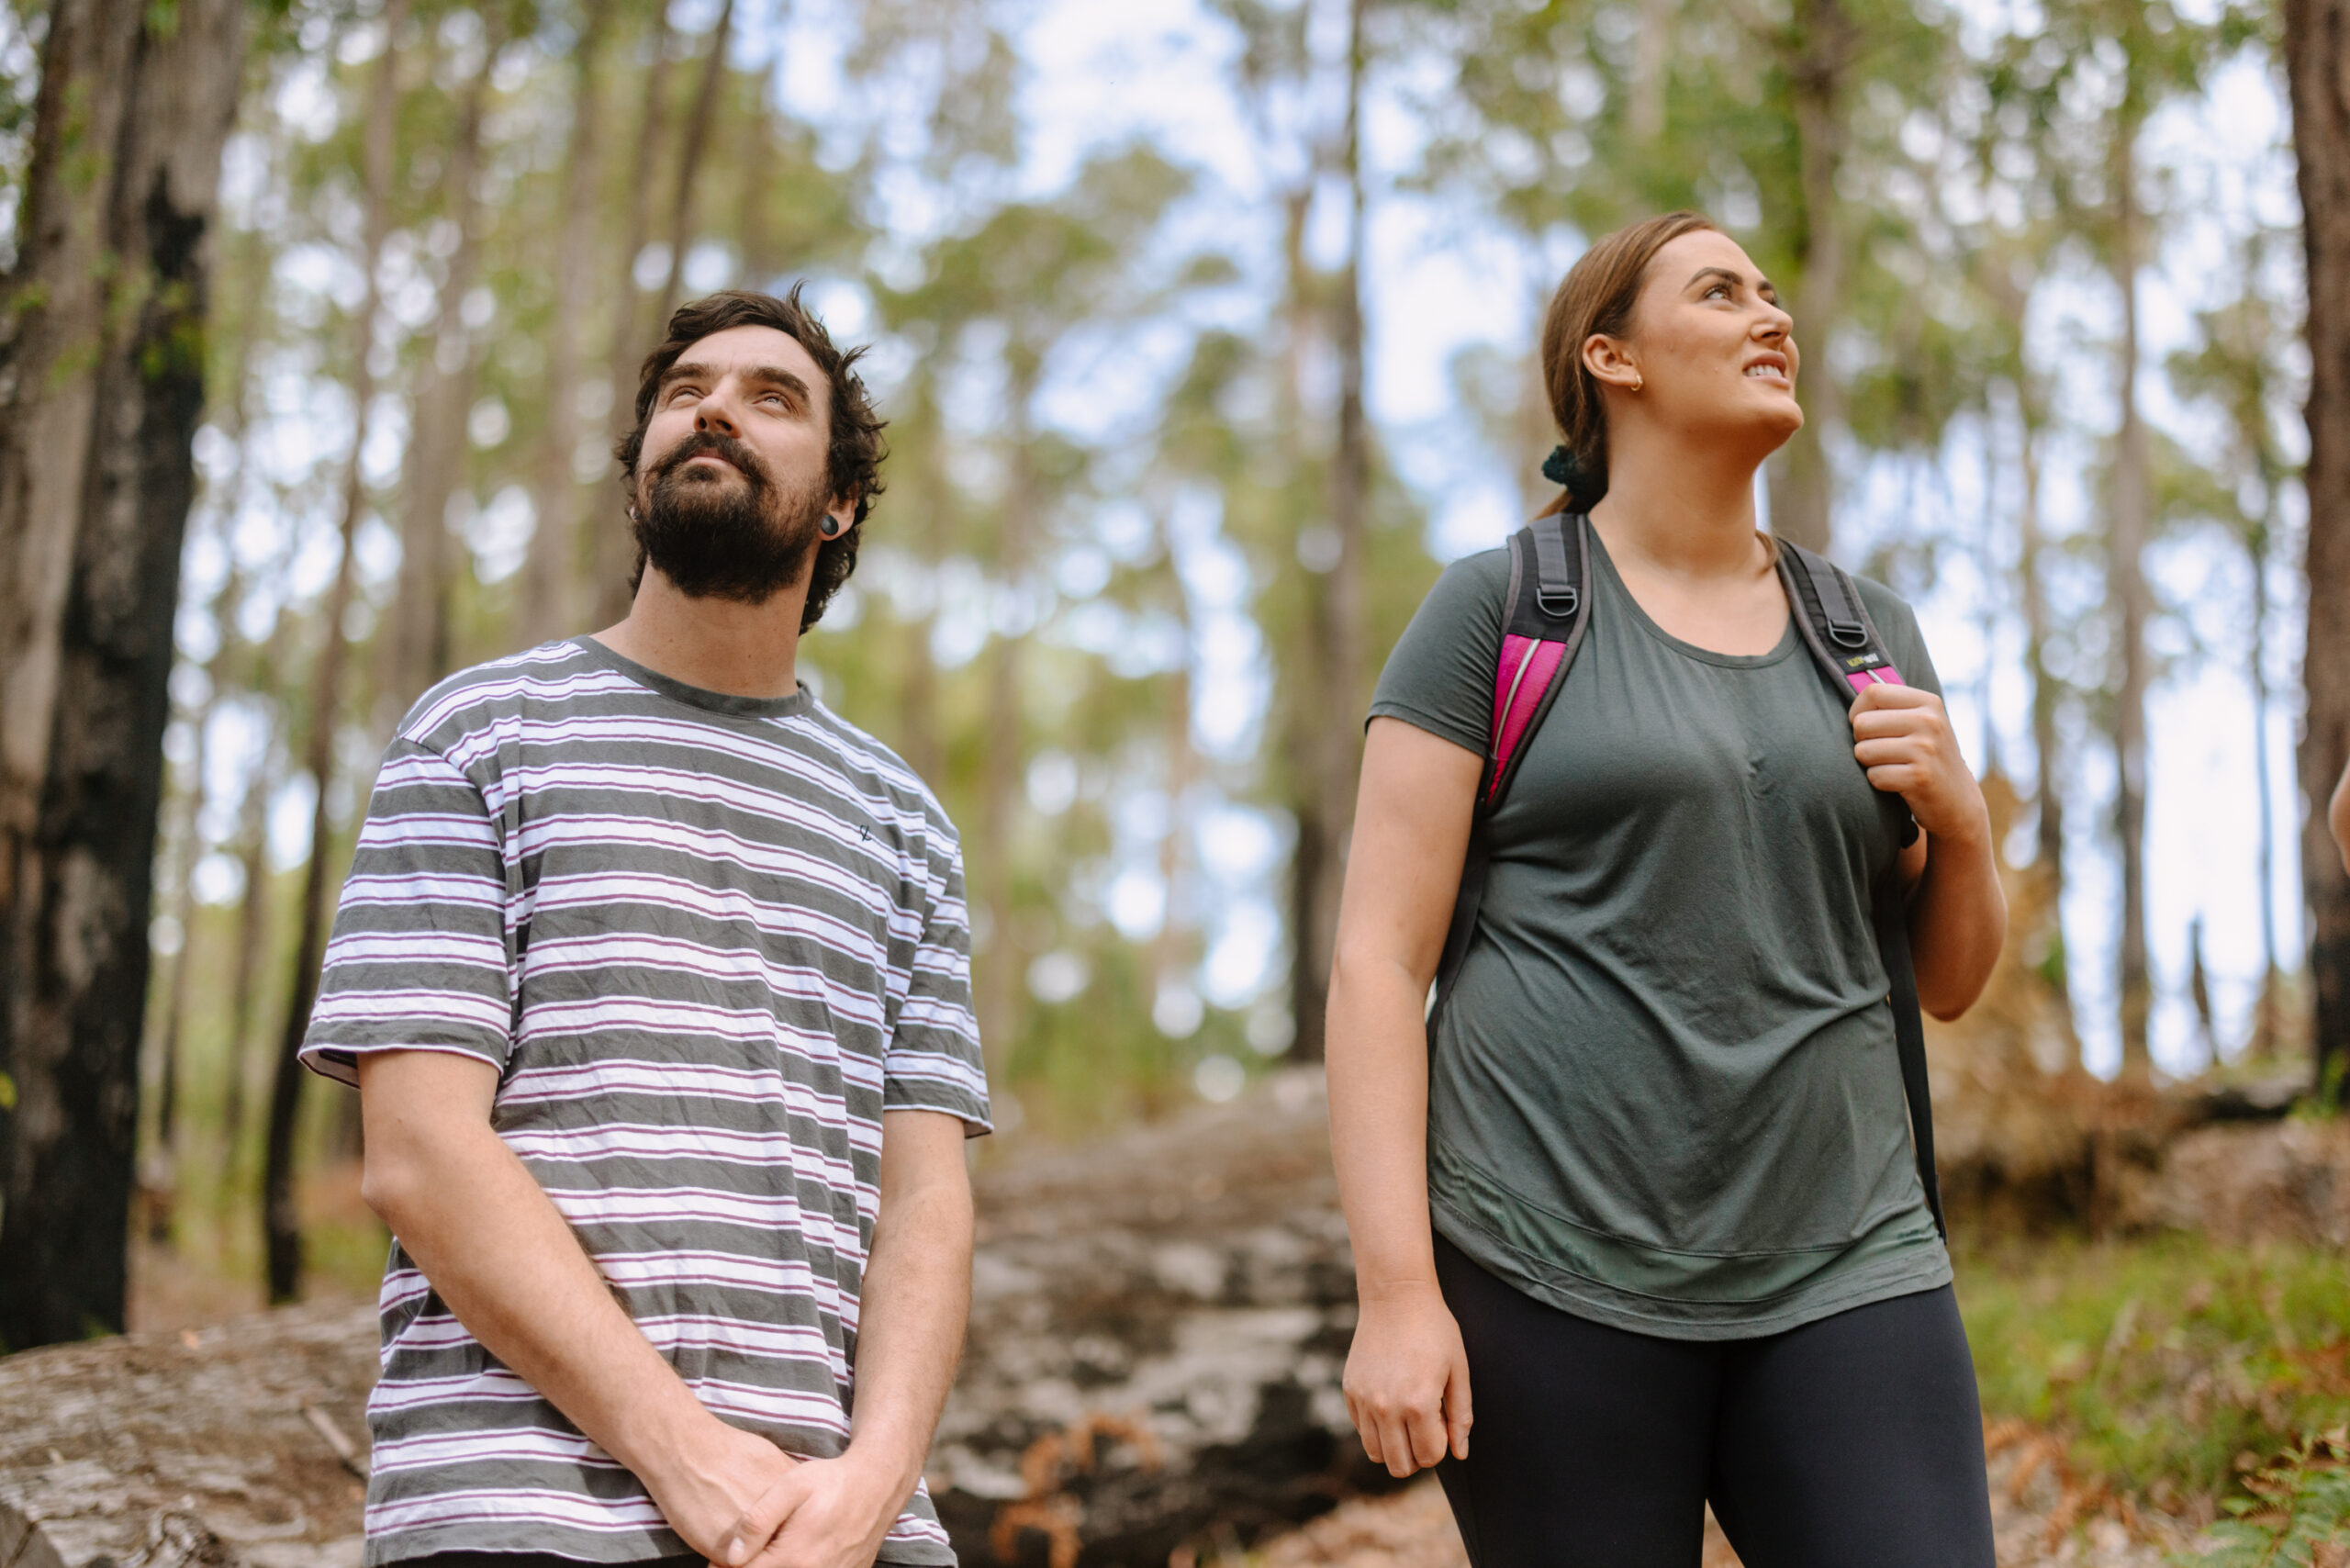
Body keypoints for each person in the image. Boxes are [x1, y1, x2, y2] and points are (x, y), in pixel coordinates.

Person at [1326, 213, 2008, 1567]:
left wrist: (1967, 827)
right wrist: (1398, 1294)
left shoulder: (1864, 633)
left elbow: (1944, 979)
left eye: (1773, 292)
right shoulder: (1497, 614)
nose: (1772, 316)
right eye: (1721, 292)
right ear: (1612, 359)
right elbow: (1375, 967)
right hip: (1543, 1265)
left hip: (1848, 1258)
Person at [299, 288, 990, 1568]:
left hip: (839, 1535)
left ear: (839, 502)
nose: (716, 405)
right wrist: (686, 1454)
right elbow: (416, 1151)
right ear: (639, 479)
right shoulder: (479, 734)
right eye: (686, 393)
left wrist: (875, 1486)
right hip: (517, 1511)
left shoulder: (906, 824)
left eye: (772, 396)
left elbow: (927, 1205)